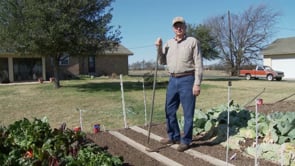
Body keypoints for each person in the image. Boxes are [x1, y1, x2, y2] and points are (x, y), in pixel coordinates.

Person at [155, 16, 203, 152]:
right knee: (169, 110)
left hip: (188, 79)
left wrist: (197, 83)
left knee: (188, 113)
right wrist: (159, 48)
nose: (179, 28)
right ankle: (173, 136)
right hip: (172, 80)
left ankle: (186, 140)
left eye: (181, 25)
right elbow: (162, 61)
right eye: (176, 26)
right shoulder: (169, 43)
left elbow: (198, 63)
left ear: (185, 27)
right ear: (173, 28)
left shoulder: (192, 42)